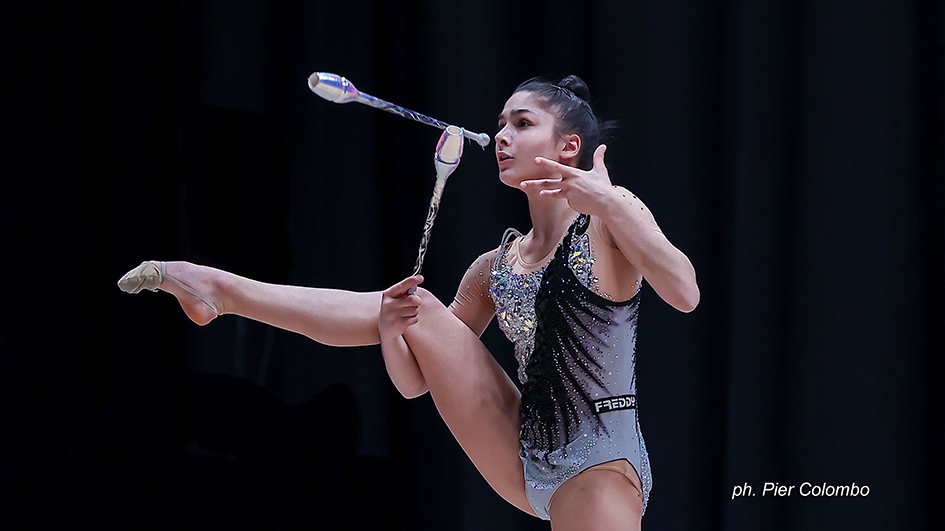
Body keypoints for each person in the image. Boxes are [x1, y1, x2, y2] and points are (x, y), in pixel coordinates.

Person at [119, 75, 699, 530]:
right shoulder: (494, 267)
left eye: (522, 124)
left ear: (570, 146)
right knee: (411, 307)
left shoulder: (611, 218)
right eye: (499, 124)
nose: (501, 137)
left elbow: (685, 292)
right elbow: (414, 383)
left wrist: (613, 203)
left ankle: (224, 291)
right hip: (520, 453)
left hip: (598, 459)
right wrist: (397, 330)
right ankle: (222, 290)